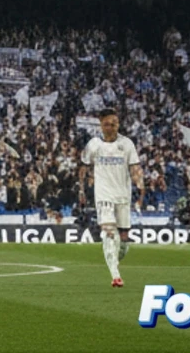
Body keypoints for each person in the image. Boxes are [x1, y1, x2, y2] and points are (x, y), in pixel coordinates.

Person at [81, 108, 143, 289]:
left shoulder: (127, 144)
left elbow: (135, 168)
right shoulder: (93, 145)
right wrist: (82, 190)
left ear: (118, 124)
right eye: (107, 124)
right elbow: (84, 167)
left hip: (123, 196)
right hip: (103, 196)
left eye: (114, 123)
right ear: (101, 125)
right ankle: (115, 275)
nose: (111, 127)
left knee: (123, 240)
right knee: (109, 232)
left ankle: (114, 259)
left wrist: (141, 189)